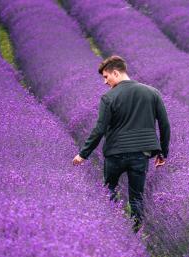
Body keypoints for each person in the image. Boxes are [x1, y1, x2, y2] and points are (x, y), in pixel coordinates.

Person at [72, 55, 170, 232]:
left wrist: (83, 154)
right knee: (137, 197)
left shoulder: (109, 97)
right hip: (141, 154)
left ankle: (113, 229)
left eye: (106, 77)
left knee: (109, 190)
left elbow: (99, 129)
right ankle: (136, 232)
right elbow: (164, 125)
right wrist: (162, 152)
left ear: (115, 72)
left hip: (115, 154)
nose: (105, 82)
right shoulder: (152, 92)